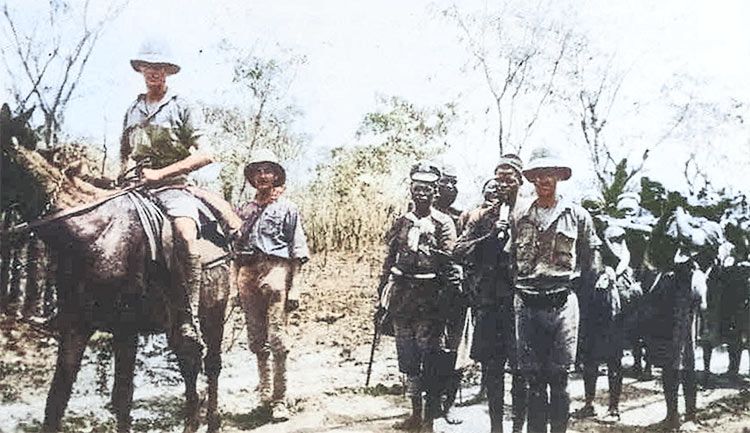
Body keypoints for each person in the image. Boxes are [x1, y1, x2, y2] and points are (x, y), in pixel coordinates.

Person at [119, 38, 231, 352]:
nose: (153, 72)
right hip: (136, 189)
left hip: (174, 187)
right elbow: (126, 152)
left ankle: (188, 316)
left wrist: (160, 174)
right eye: (148, 66)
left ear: (168, 72)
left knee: (184, 234)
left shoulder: (182, 105)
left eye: (160, 67)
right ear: (140, 69)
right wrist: (126, 175)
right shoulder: (132, 108)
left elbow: (206, 154)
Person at [513, 146, 602, 433]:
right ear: (533, 179)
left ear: (559, 178)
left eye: (550, 174)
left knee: (559, 378)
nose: (544, 180)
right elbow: (509, 261)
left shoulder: (577, 216)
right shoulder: (520, 217)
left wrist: (581, 295)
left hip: (562, 303)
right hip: (527, 303)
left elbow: (592, 260)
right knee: (534, 380)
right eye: (539, 175)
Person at [378, 161, 459, 432]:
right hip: (403, 298)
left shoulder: (444, 223)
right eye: (417, 188)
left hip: (431, 298)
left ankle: (429, 418)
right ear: (410, 190)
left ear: (436, 192)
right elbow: (389, 260)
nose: (422, 193)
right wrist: (381, 298)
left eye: (428, 189)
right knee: (408, 357)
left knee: (431, 358)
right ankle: (414, 413)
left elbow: (449, 263)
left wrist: (450, 301)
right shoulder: (401, 222)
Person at [234, 148, 309, 422]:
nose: (263, 176)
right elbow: (235, 250)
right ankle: (264, 396)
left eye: (268, 171)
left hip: (277, 269)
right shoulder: (244, 209)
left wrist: (295, 287)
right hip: (247, 272)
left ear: (276, 175)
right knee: (256, 339)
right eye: (257, 171)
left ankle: (280, 399)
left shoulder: (288, 208)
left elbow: (298, 250)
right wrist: (235, 286)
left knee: (277, 338)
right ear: (252, 177)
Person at [454, 154, 527, 433]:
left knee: (521, 372)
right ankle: (496, 428)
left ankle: (518, 428)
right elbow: (458, 251)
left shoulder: (530, 213)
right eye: (499, 179)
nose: (503, 185)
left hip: (522, 301)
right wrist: (489, 237)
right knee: (492, 369)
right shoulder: (483, 217)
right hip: (490, 301)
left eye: (509, 179)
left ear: (520, 181)